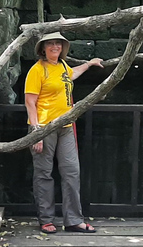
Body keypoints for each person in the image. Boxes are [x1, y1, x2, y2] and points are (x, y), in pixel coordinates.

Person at [24, 31, 103, 234]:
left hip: (66, 127)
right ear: (42, 48)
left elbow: (71, 74)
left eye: (58, 44)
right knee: (44, 174)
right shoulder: (37, 70)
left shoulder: (61, 66)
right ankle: (46, 220)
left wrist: (89, 63)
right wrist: (36, 132)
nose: (55, 47)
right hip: (44, 127)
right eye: (50, 44)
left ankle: (74, 220)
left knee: (71, 172)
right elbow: (30, 102)